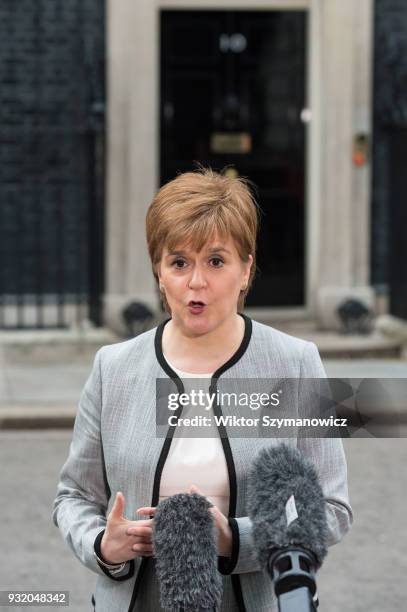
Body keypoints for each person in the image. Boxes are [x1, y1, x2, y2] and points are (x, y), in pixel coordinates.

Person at [52, 167, 353, 612]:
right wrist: (103, 545)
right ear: (159, 272)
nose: (197, 282)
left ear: (246, 270)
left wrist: (235, 539)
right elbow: (74, 497)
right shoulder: (113, 368)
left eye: (216, 261)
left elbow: (331, 508)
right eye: (179, 262)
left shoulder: (295, 362)